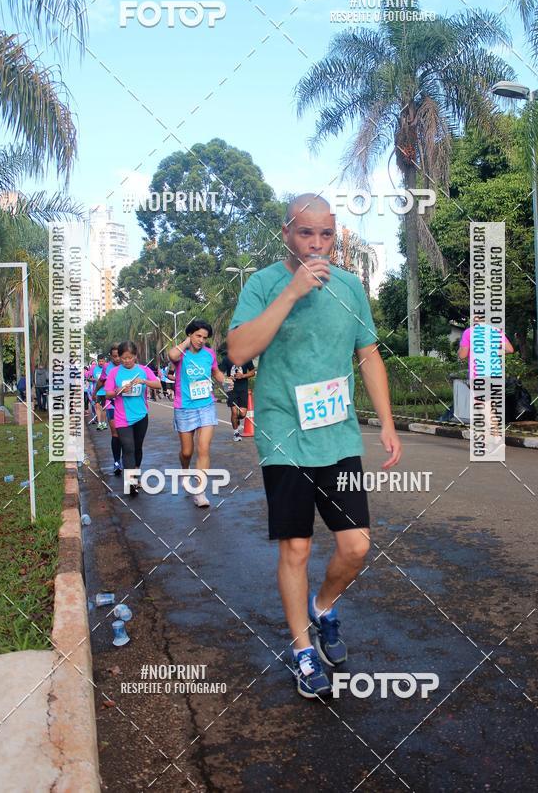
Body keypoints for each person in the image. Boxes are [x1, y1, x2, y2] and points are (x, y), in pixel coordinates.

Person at [227, 193, 402, 699]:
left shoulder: (350, 287)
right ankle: (303, 650)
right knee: (297, 546)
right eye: (306, 233)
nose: (317, 243)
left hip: (338, 432)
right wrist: (292, 292)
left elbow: (368, 355)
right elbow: (238, 351)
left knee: (356, 545)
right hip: (284, 432)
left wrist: (387, 422)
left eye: (326, 234)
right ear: (287, 232)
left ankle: (323, 607)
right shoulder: (263, 284)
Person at [168, 320, 233, 509]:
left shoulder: (209, 354)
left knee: (203, 448)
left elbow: (216, 373)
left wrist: (225, 381)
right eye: (198, 336)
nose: (201, 340)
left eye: (204, 337)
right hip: (184, 407)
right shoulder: (181, 353)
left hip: (206, 405)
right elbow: (171, 355)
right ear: (190, 335)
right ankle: (185, 470)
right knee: (187, 452)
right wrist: (186, 343)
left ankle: (200, 491)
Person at [104, 341, 161, 496]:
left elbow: (158, 385)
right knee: (128, 448)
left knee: (137, 447)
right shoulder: (114, 372)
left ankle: (135, 474)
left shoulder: (143, 370)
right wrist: (119, 390)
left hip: (141, 416)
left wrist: (143, 381)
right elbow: (108, 393)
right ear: (119, 357)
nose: (126, 361)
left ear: (135, 356)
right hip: (122, 417)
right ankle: (130, 483)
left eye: (130, 357)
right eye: (123, 358)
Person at [458, 319, 514, 439]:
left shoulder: (469, 332)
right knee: (489, 405)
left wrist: (461, 351)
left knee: (482, 405)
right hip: (496, 374)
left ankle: (495, 434)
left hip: (479, 374)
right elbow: (510, 349)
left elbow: (462, 355)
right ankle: (491, 434)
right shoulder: (496, 331)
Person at [95, 345, 123, 476]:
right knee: (115, 433)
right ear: (110, 356)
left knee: (127, 435)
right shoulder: (107, 367)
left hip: (127, 406)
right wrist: (95, 392)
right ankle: (117, 461)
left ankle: (127, 458)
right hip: (112, 404)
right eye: (114, 356)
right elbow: (101, 381)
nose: (117, 359)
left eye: (119, 355)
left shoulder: (128, 365)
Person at [220, 354, 256, 441]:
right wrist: (227, 378)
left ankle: (236, 420)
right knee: (234, 412)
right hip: (231, 388)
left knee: (243, 414)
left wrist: (243, 376)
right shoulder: (227, 359)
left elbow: (252, 372)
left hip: (243, 389)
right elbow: (219, 373)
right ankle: (236, 433)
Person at [91, 354, 108, 430]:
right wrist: (93, 380)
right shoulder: (94, 369)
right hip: (97, 392)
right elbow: (89, 378)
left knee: (104, 408)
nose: (101, 363)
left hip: (105, 391)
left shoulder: (107, 369)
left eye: (102, 361)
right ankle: (99, 423)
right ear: (97, 361)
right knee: (97, 407)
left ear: (105, 361)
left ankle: (104, 423)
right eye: (99, 361)